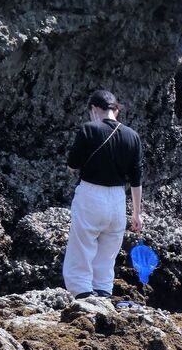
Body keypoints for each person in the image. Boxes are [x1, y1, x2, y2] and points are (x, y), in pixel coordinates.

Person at [62, 89, 145, 299]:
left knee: (81, 249)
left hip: (91, 194)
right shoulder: (132, 136)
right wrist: (136, 213)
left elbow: (73, 165)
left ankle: (82, 297)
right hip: (118, 200)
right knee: (107, 254)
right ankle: (103, 294)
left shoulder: (89, 129)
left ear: (94, 109)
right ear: (116, 110)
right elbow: (136, 178)